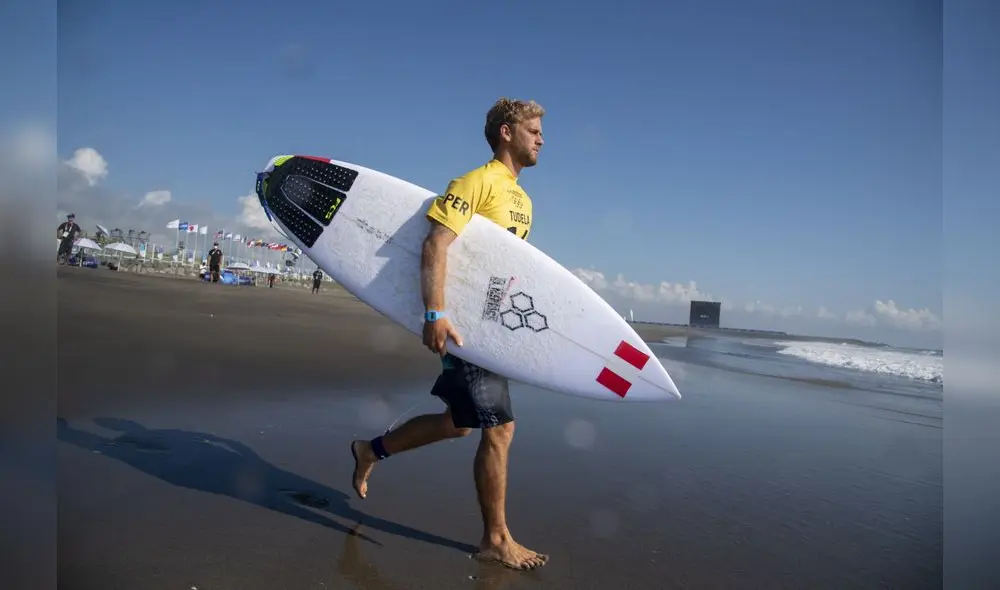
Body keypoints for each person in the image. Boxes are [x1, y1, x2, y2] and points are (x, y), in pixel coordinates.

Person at [350, 97, 548, 571]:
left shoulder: (522, 199)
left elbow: (500, 273)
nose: (542, 138)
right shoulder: (475, 183)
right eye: (534, 130)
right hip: (460, 327)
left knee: (460, 424)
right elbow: (437, 241)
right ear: (506, 132)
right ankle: (495, 539)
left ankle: (369, 450)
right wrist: (434, 312)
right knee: (500, 430)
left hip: (487, 329)